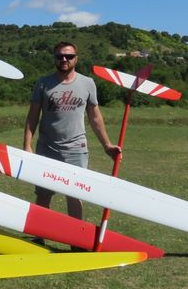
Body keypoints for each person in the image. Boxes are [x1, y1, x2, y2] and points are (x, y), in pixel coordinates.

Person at [23, 41, 120, 227]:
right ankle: (39, 235)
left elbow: (95, 117)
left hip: (76, 149)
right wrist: (27, 145)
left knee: (75, 194)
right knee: (43, 193)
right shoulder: (43, 83)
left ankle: (76, 240)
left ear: (76, 59)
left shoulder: (88, 83)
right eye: (60, 56)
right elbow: (32, 116)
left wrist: (107, 145)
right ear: (55, 59)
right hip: (47, 147)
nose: (64, 59)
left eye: (69, 56)